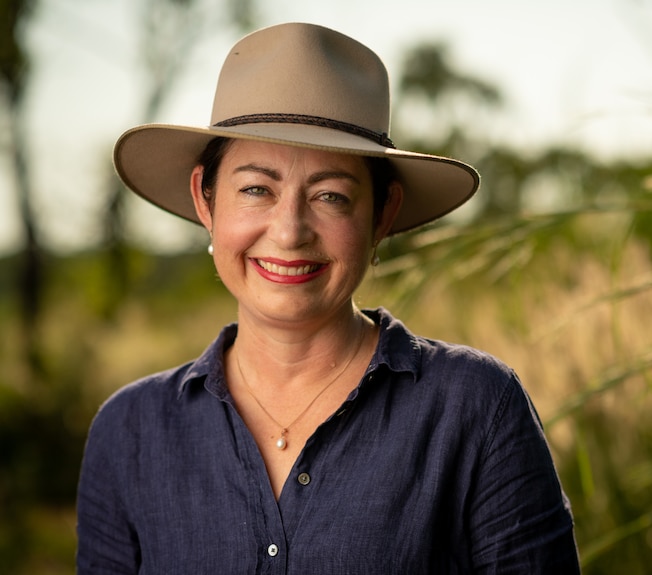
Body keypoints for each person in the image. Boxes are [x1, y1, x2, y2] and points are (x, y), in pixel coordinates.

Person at [76, 22, 580, 574]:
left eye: (330, 196)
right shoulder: (130, 431)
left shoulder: (477, 408)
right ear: (206, 199)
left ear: (382, 214)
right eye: (255, 189)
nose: (290, 231)